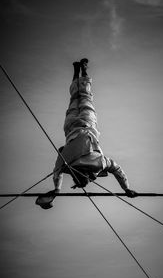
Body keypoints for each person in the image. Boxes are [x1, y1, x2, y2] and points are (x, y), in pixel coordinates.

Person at [36, 59, 137, 209]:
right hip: (77, 125)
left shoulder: (92, 164)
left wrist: (56, 191)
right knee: (80, 96)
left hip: (79, 124)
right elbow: (57, 174)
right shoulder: (80, 165)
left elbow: (117, 170)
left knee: (79, 96)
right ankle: (80, 70)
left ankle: (79, 71)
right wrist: (126, 188)